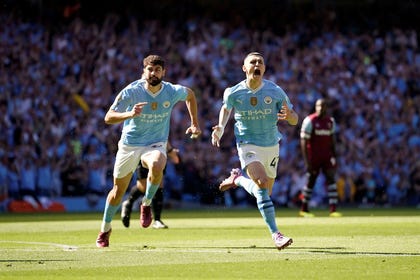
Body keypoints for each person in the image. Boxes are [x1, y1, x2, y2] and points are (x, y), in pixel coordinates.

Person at [96, 55, 201, 247]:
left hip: (154, 144)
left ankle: (146, 204)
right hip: (130, 145)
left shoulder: (170, 91)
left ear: (163, 72)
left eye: (157, 70)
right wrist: (130, 113)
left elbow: (191, 95)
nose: (153, 73)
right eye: (150, 70)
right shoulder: (131, 91)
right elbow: (108, 117)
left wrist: (194, 123)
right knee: (117, 192)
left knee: (158, 162)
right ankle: (105, 229)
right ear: (143, 71)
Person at [211, 52, 298, 251]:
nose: (257, 64)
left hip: (271, 144)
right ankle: (276, 234)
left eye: (260, 62)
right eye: (253, 62)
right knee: (262, 183)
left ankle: (238, 180)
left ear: (264, 69)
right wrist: (220, 127)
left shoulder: (275, 91)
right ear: (245, 68)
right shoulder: (234, 92)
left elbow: (294, 119)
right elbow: (226, 109)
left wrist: (291, 116)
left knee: (264, 192)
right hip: (247, 143)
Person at [121, 142, 180, 229]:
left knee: (158, 184)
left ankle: (157, 220)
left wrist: (170, 150)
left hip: (159, 153)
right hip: (143, 152)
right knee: (143, 187)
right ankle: (129, 202)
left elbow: (163, 135)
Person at [299, 98, 342, 217]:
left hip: (327, 156)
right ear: (315, 107)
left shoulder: (330, 122)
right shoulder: (309, 120)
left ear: (326, 108)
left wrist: (334, 156)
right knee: (311, 181)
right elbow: (303, 141)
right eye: (318, 106)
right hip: (314, 156)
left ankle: (333, 209)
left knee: (331, 178)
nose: (320, 108)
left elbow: (332, 141)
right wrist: (307, 161)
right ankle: (304, 209)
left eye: (322, 106)